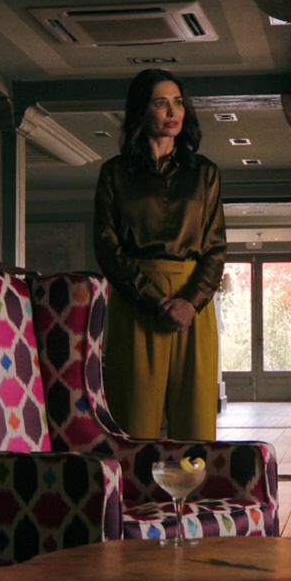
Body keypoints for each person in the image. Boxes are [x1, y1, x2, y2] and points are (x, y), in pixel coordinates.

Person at [93, 68, 227, 441]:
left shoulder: (205, 173)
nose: (172, 112)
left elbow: (215, 247)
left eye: (178, 102)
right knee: (135, 425)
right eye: (160, 103)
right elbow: (106, 246)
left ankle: (193, 484)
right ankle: (135, 483)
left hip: (192, 304)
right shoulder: (115, 173)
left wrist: (190, 302)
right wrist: (155, 300)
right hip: (136, 302)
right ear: (142, 110)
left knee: (196, 429)